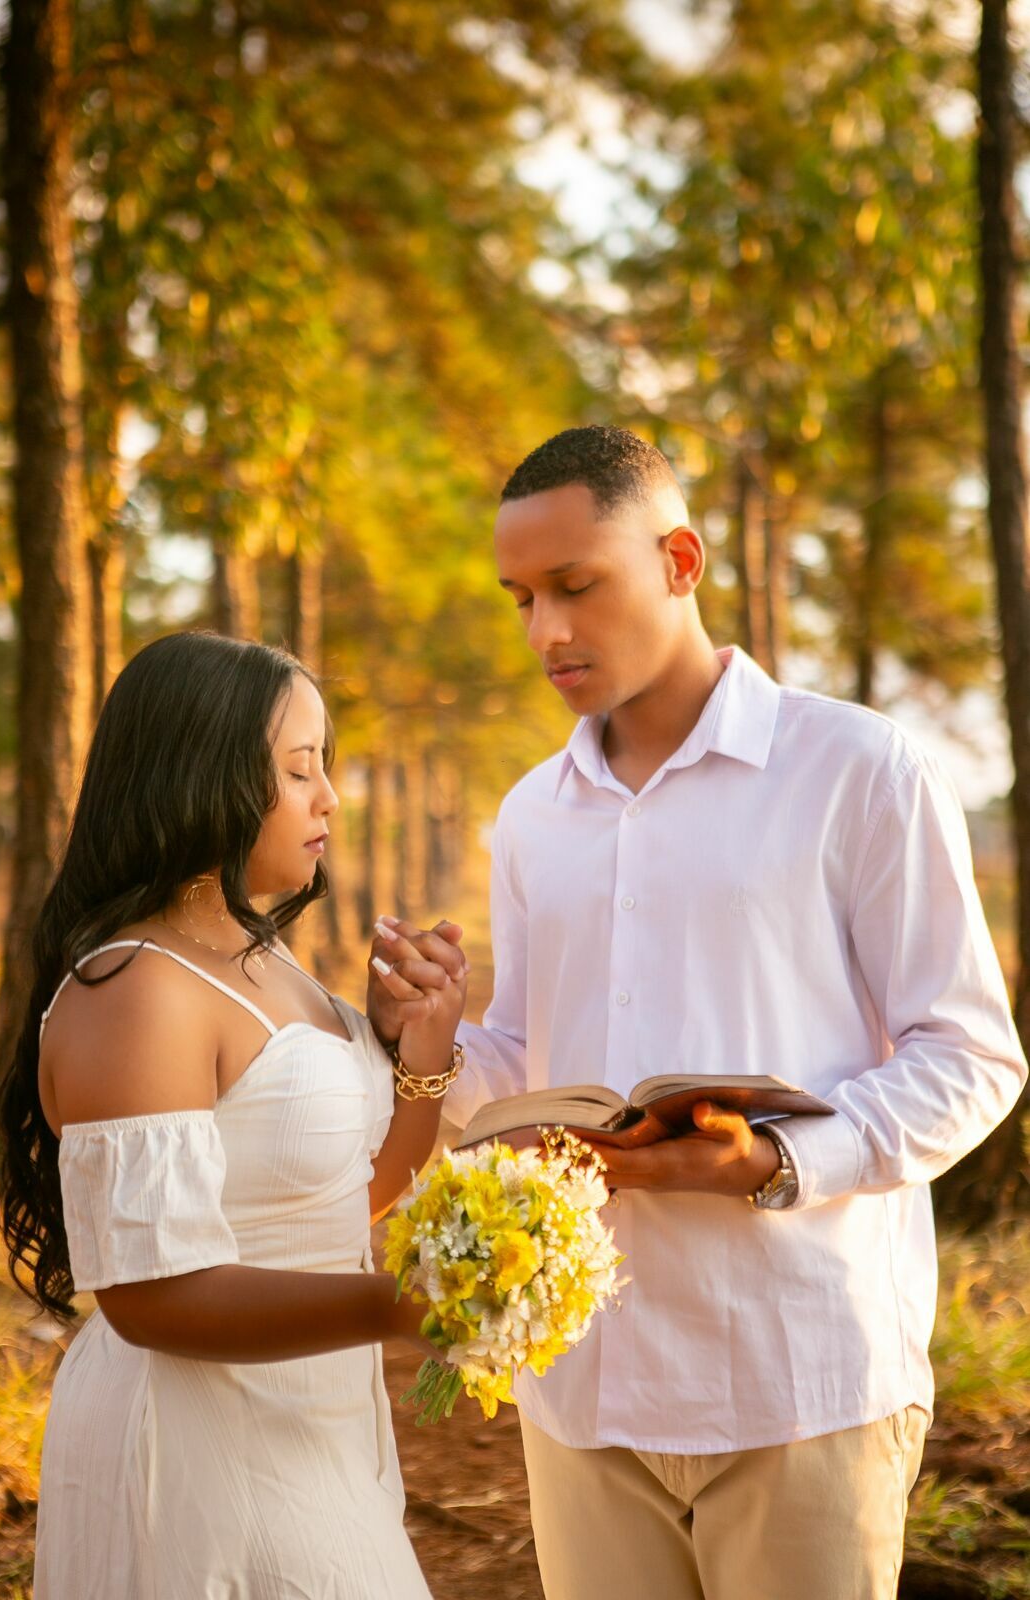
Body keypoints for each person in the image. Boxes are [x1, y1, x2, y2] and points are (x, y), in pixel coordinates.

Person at [367, 426, 1029, 1600]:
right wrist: (429, 1037)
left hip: (799, 1377)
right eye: (521, 597)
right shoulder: (531, 815)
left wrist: (772, 1157)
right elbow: (524, 1064)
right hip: (582, 1382)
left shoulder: (859, 771)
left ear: (680, 558)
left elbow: (971, 1054)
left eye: (576, 585)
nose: (545, 632)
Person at [0, 631, 469, 1600]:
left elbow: (344, 1200)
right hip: (191, 1446)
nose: (329, 797)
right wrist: (403, 1308)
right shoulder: (131, 987)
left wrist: (415, 1047)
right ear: (201, 778)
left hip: (306, 1418)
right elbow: (150, 1295)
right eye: (300, 770)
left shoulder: (265, 960)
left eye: (324, 766)